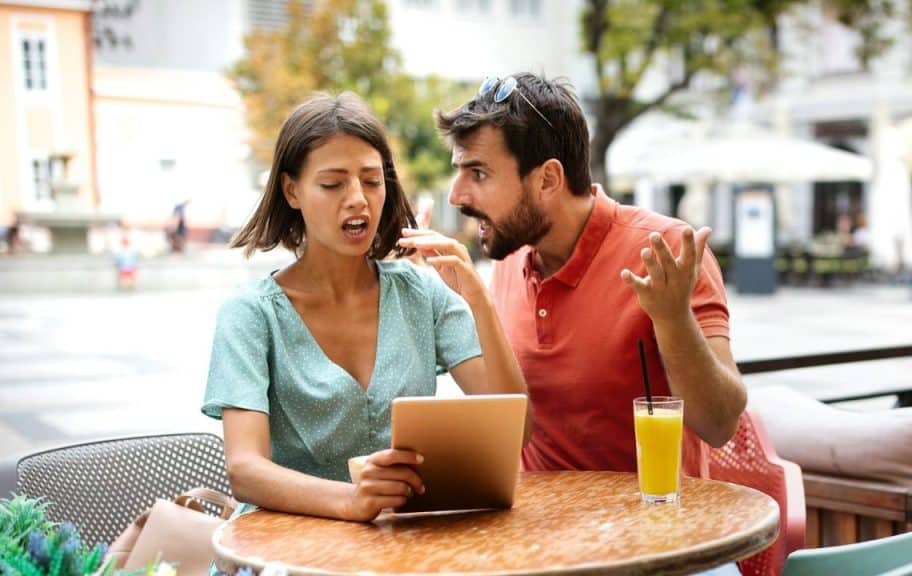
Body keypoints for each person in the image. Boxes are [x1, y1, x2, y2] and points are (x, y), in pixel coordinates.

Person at [202, 92, 528, 524]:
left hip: (397, 552)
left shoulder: (420, 294)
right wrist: (351, 500)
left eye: (372, 181)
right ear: (291, 190)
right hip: (282, 555)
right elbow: (245, 470)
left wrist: (478, 299)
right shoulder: (250, 314)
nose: (358, 198)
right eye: (333, 183)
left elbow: (516, 431)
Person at [436, 73, 746, 482]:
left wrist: (673, 320)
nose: (455, 196)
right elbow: (508, 420)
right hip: (536, 534)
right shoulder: (510, 259)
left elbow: (720, 425)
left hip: (652, 535)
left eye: (478, 174)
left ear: (548, 179)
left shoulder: (665, 251)